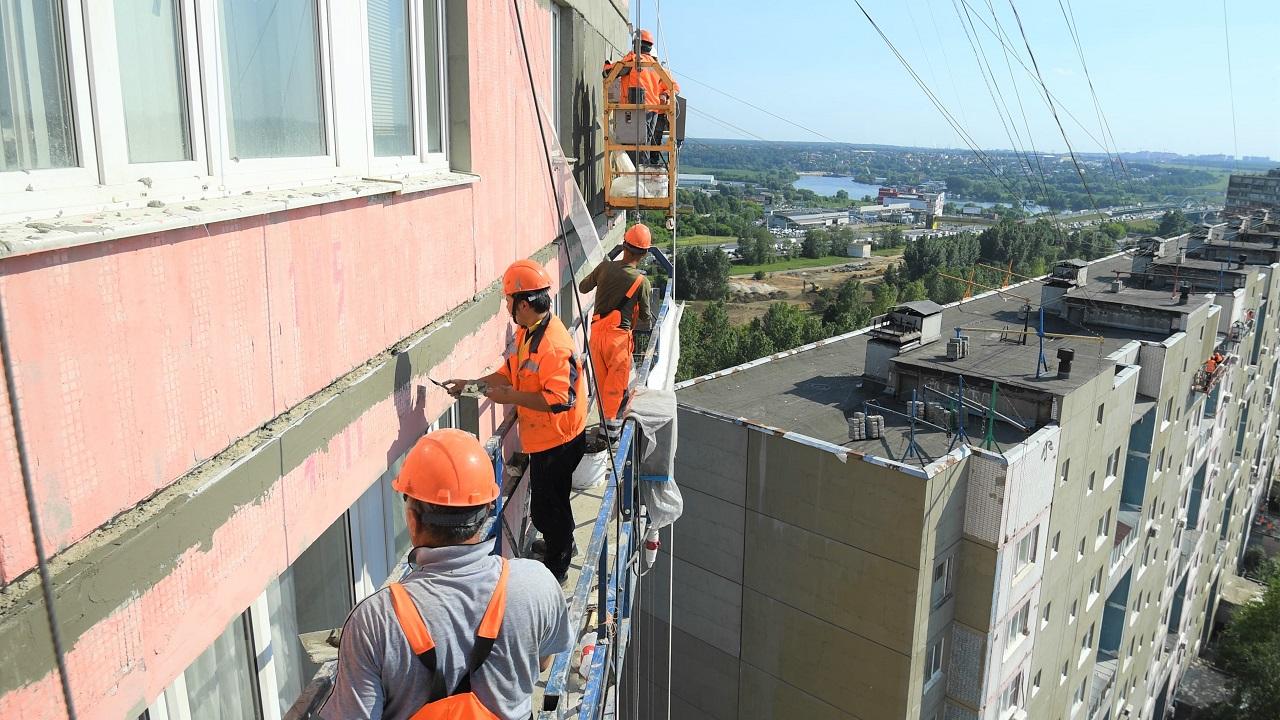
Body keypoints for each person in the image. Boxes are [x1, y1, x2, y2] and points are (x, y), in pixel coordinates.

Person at [319, 430, 572, 720]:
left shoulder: (375, 621)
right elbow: (543, 661)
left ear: (412, 521)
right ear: (489, 509)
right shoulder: (535, 583)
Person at [446, 260, 588, 582]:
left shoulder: (552, 344)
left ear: (523, 303)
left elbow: (559, 400)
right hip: (548, 440)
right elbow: (509, 374)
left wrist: (510, 398)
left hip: (559, 442)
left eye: (508, 301)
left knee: (547, 509)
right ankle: (561, 546)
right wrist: (471, 385)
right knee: (552, 505)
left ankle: (557, 569)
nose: (507, 307)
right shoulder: (530, 333)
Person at [579, 223, 653, 441]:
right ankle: (610, 439)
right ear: (645, 253)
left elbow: (583, 287)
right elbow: (647, 317)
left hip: (596, 337)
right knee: (616, 390)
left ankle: (605, 433)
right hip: (618, 341)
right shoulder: (641, 282)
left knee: (601, 387)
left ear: (623, 244)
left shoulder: (604, 268)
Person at [603, 29, 679, 165]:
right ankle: (644, 175)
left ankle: (636, 179)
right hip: (653, 112)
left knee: (633, 146)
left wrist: (607, 65)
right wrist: (665, 94)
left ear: (636, 44)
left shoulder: (633, 59)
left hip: (635, 110)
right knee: (645, 145)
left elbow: (610, 72)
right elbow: (674, 86)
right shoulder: (655, 66)